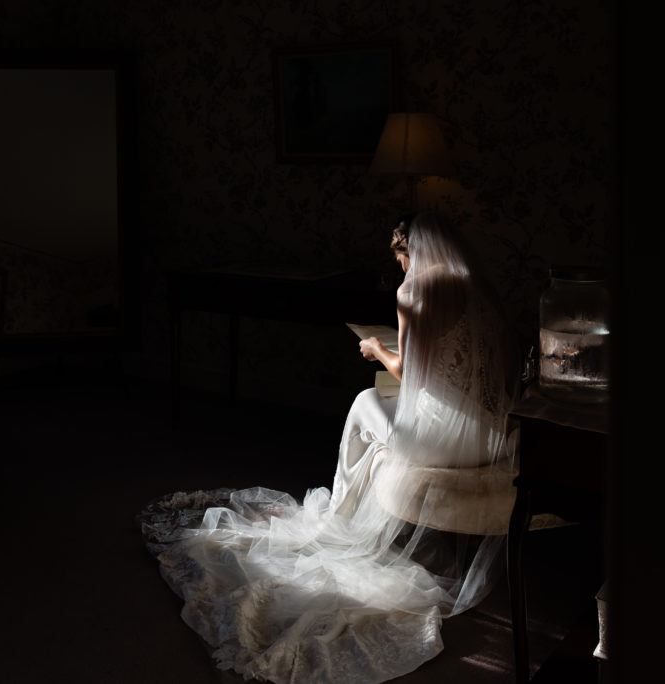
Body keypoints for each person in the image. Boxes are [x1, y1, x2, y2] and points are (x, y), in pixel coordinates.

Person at [139, 212, 519, 683]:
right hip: (493, 434)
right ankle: (364, 506)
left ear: (407, 254)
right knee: (387, 407)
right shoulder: (478, 286)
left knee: (365, 401)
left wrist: (376, 350)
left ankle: (341, 515)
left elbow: (411, 373)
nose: (402, 270)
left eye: (400, 260)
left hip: (443, 446)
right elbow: (496, 368)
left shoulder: (414, 291)